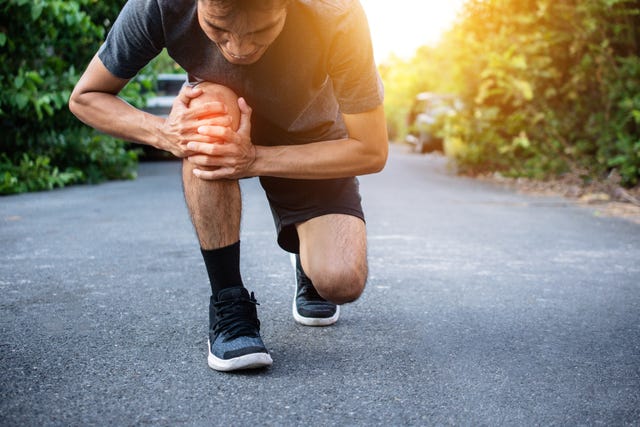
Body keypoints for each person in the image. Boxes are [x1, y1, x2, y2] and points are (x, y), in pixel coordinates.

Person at [69, 0, 388, 372]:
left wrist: (254, 158)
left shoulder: (336, 13)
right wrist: (166, 133)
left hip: (311, 138)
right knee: (206, 112)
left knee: (342, 281)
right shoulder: (159, 4)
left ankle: (306, 252)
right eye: (218, 28)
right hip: (222, 117)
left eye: (259, 32)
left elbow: (371, 150)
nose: (238, 48)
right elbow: (86, 97)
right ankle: (229, 300)